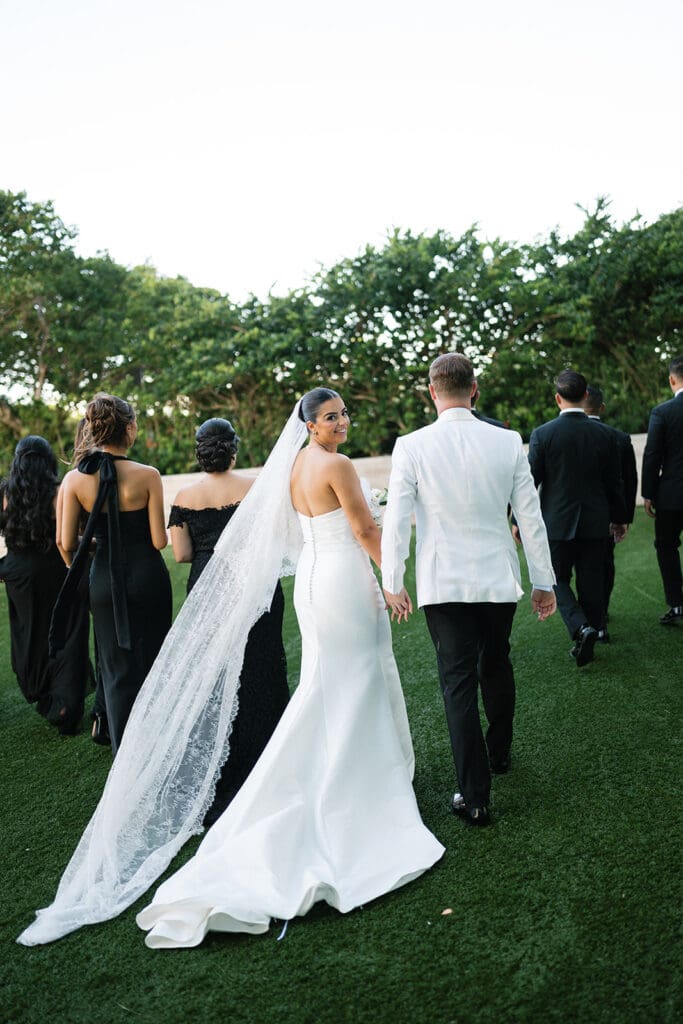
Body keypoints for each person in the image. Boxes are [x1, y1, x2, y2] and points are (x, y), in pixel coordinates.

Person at [18, 391, 443, 948]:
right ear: (309, 425)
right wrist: (392, 574)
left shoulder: (284, 467)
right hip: (316, 582)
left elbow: (185, 548)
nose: (342, 422)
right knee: (318, 676)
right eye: (332, 415)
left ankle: (316, 762)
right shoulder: (321, 467)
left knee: (307, 681)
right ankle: (341, 774)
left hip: (280, 584)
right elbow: (356, 531)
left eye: (344, 413)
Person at [381, 353, 556, 827]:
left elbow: (396, 519)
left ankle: (475, 797)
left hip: (443, 583)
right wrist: (544, 580)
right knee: (496, 663)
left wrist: (391, 580)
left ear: (432, 392)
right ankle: (499, 754)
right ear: (473, 389)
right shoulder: (507, 441)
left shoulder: (411, 445)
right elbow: (530, 516)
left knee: (457, 682)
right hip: (497, 578)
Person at [168, 417, 289, 823]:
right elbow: (275, 538)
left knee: (217, 676)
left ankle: (224, 766)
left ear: (200, 452)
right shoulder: (256, 488)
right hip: (254, 587)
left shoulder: (185, 495)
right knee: (263, 667)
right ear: (233, 448)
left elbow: (182, 554)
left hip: (208, 590)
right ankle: (271, 762)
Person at [51, 393, 172, 754]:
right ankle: (160, 745)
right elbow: (159, 540)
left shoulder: (74, 480)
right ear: (130, 429)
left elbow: (64, 542)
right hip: (148, 577)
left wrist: (84, 570)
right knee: (154, 660)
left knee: (115, 670)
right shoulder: (148, 475)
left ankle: (126, 756)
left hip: (103, 578)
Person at [526, 370, 627, 667]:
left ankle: (581, 628)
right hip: (596, 522)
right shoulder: (606, 434)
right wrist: (620, 518)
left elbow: (531, 482)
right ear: (585, 396)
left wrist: (518, 519)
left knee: (557, 579)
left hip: (556, 523)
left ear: (558, 398)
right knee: (591, 582)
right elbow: (615, 482)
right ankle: (590, 632)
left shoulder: (543, 434)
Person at [0, 436, 89, 735]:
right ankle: (67, 702)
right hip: (56, 570)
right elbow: (69, 538)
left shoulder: (5, 493)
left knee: (29, 632)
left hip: (20, 576)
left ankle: (40, 691)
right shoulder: (59, 491)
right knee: (67, 631)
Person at [56, 418, 109, 744]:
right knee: (111, 646)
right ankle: (104, 714)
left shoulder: (72, 480)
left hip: (87, 568)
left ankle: (100, 715)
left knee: (98, 642)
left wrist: (71, 566)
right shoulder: (121, 470)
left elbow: (65, 541)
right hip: (117, 563)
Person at [581, 385, 638, 638]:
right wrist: (623, 518)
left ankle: (588, 618)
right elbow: (628, 480)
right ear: (601, 407)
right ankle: (600, 614)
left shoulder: (558, 433)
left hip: (571, 516)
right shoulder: (618, 437)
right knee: (603, 562)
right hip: (604, 514)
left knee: (580, 566)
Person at [641, 354, 683, 624]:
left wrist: (648, 493)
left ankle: (677, 605)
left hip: (672, 496)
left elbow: (652, 455)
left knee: (666, 547)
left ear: (671, 380)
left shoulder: (663, 412)